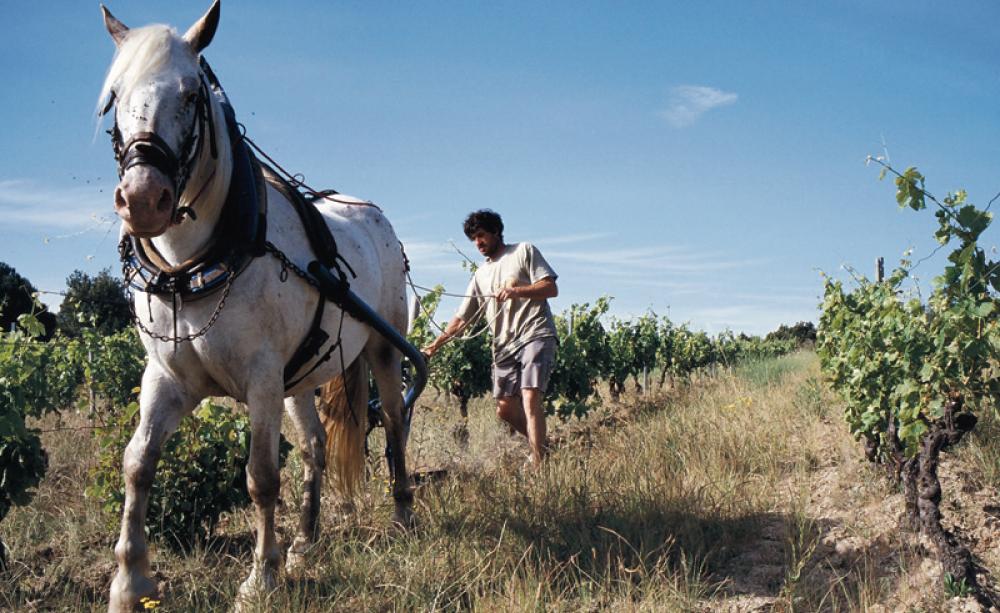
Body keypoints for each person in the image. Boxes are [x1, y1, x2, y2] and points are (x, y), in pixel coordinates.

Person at [423, 209, 559, 467]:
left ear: (496, 231)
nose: (478, 243)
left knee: (529, 396)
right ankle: (542, 446)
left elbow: (550, 288)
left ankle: (539, 466)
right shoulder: (480, 275)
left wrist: (517, 291)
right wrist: (434, 346)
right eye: (473, 239)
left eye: (482, 236)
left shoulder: (524, 251)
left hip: (535, 332)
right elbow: (462, 319)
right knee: (505, 409)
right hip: (504, 345)